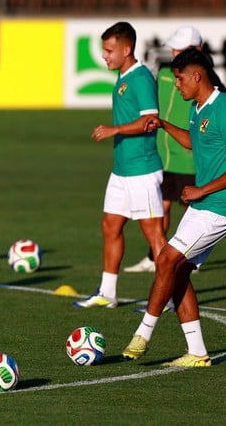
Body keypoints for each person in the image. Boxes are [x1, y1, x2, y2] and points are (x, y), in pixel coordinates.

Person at [121, 47, 226, 367]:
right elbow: (195, 142)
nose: (175, 85)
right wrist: (164, 124)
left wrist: (201, 190)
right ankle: (197, 353)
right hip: (203, 204)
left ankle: (143, 334)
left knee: (165, 258)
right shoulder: (197, 107)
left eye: (179, 79)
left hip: (221, 206)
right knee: (177, 273)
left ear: (197, 76)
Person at [74, 21, 167, 309]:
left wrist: (114, 130)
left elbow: (151, 121)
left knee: (154, 235)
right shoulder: (124, 76)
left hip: (142, 170)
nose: (105, 56)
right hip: (122, 170)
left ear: (127, 49)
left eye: (109, 50)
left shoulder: (140, 78)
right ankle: (108, 293)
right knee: (110, 225)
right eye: (104, 50)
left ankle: (170, 296)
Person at [124, 25, 203, 274]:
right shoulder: (166, 72)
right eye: (174, 47)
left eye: (180, 47)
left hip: (189, 156)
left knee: (193, 210)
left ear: (197, 50)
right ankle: (153, 256)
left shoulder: (204, 77)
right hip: (163, 153)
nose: (174, 51)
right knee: (160, 207)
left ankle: (192, 258)